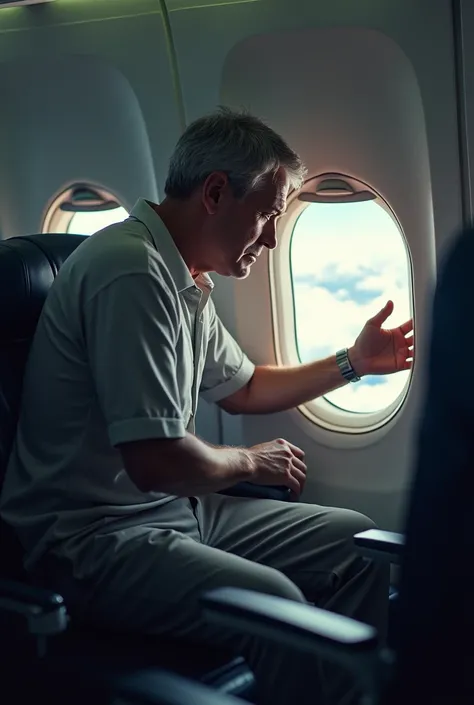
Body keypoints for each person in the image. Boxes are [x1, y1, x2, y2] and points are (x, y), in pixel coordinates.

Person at [0, 107, 413, 704]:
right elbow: (156, 461)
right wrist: (250, 463)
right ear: (216, 192)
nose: (273, 238)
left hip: (172, 512)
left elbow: (244, 389)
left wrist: (355, 361)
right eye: (269, 215)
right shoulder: (131, 272)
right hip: (90, 540)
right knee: (278, 605)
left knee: (354, 546)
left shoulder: (184, 276)